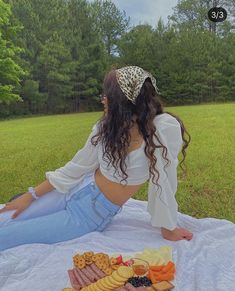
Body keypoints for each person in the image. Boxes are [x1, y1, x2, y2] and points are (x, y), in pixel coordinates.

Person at [0, 66, 193, 251]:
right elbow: (75, 168)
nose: (103, 100)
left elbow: (164, 179)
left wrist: (168, 227)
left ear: (123, 101)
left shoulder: (162, 129)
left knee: (8, 236)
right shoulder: (107, 127)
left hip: (89, 214)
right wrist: (30, 195)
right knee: (9, 216)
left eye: (107, 95)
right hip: (74, 189)